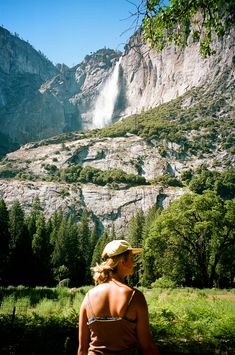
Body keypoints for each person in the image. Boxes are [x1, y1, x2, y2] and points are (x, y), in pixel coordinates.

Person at [78, 239, 160, 355]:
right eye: (131, 258)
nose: (134, 263)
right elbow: (147, 347)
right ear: (122, 261)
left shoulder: (89, 296)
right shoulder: (134, 296)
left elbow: (82, 349)